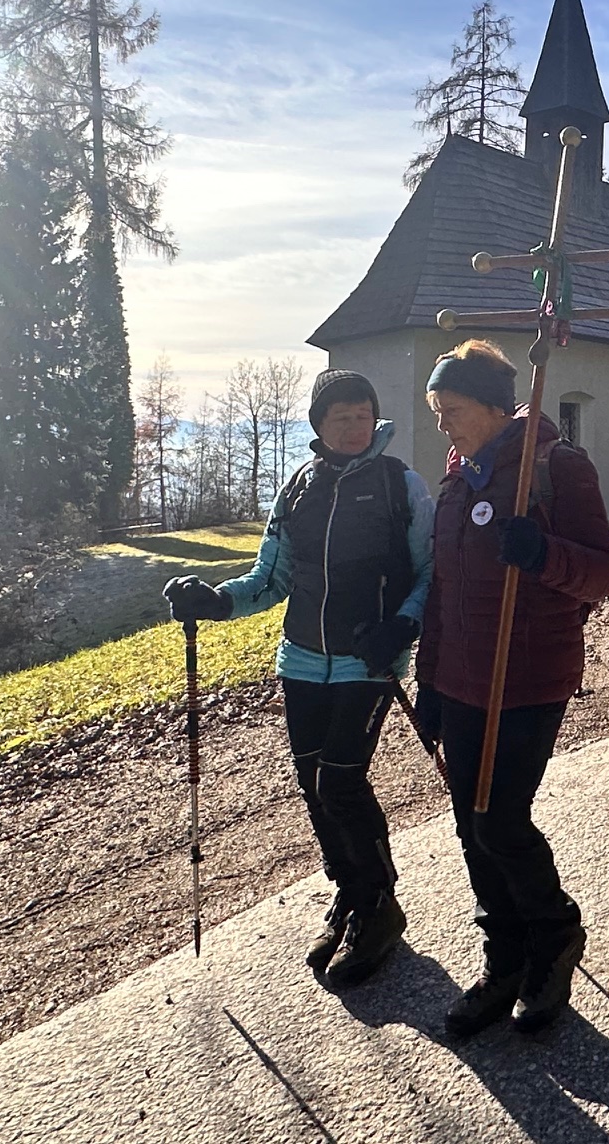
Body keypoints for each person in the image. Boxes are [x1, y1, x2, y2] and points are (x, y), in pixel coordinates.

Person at [162, 369, 433, 987]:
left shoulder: (401, 485)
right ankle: (355, 891)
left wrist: (403, 626)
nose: (355, 426)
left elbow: (431, 570)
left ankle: (377, 907)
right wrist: (216, 600)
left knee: (340, 781)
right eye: (341, 416)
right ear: (318, 424)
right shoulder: (299, 488)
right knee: (314, 785)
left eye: (363, 415)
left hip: (369, 662)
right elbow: (271, 577)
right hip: (303, 660)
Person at [411, 339, 609, 1038]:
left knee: (500, 819)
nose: (442, 422)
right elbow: (443, 591)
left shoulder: (555, 467)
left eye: (452, 409)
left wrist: (542, 554)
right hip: (461, 679)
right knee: (470, 824)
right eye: (437, 409)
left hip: (529, 676)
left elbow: (601, 574)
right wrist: (429, 679)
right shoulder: (456, 480)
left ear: (497, 408)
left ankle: (554, 936)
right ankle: (502, 959)